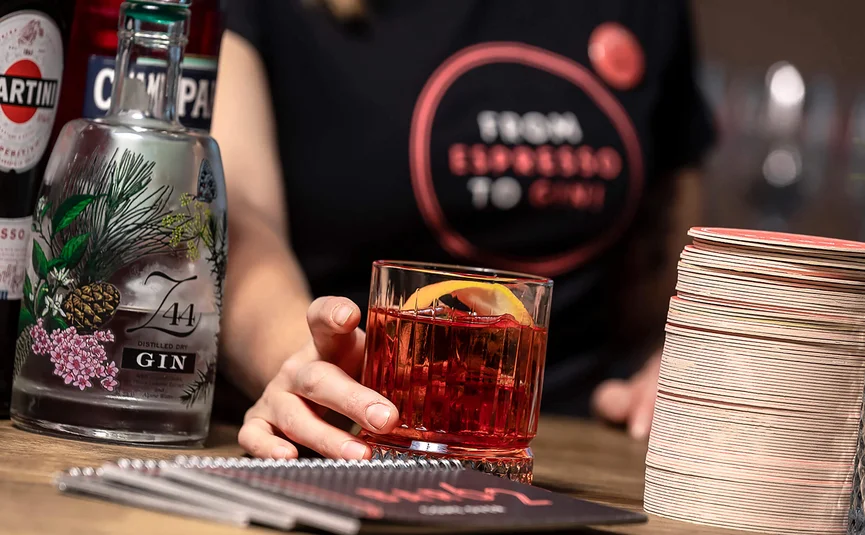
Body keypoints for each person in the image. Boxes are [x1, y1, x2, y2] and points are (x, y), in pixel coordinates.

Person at [211, 0, 715, 460]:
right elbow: (235, 212)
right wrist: (307, 371)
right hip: (356, 434)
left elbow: (671, 243)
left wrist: (691, 360)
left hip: (580, 449)